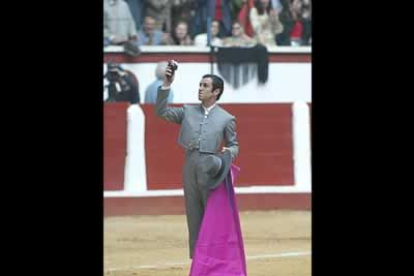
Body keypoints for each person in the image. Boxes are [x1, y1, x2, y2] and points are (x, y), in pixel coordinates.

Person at [155, 61, 240, 259]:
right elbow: (161, 112)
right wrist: (167, 85)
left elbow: (234, 144)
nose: (200, 89)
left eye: (205, 86)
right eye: (200, 85)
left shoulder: (226, 118)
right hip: (190, 165)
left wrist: (227, 155)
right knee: (193, 216)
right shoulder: (188, 111)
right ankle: (198, 261)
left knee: (213, 217)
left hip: (211, 168)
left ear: (216, 92)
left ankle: (217, 259)